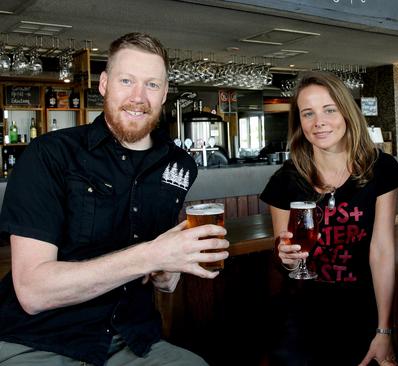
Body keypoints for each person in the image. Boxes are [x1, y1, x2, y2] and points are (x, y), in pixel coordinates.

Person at [0, 33, 229, 366]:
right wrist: (150, 255)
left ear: (165, 93)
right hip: (38, 340)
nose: (138, 97)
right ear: (104, 84)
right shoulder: (49, 155)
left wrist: (168, 272)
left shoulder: (178, 165)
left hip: (132, 342)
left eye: (152, 85)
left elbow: (161, 272)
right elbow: (33, 292)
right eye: (126, 81)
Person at [260, 71, 398, 366]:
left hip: (361, 314)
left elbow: (381, 252)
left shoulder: (380, 169)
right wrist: (287, 257)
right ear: (299, 123)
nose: (319, 122)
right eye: (308, 113)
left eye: (329, 109)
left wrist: (383, 329)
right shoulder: (285, 180)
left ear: (346, 111)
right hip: (300, 319)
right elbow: (283, 255)